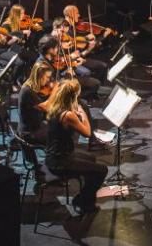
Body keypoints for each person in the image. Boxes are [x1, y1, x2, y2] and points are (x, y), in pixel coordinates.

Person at [45, 80, 109, 214]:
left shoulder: (54, 107)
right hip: (61, 163)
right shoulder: (68, 115)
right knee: (102, 170)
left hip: (54, 156)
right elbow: (87, 133)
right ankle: (82, 200)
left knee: (91, 159)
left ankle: (87, 198)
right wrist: (82, 113)